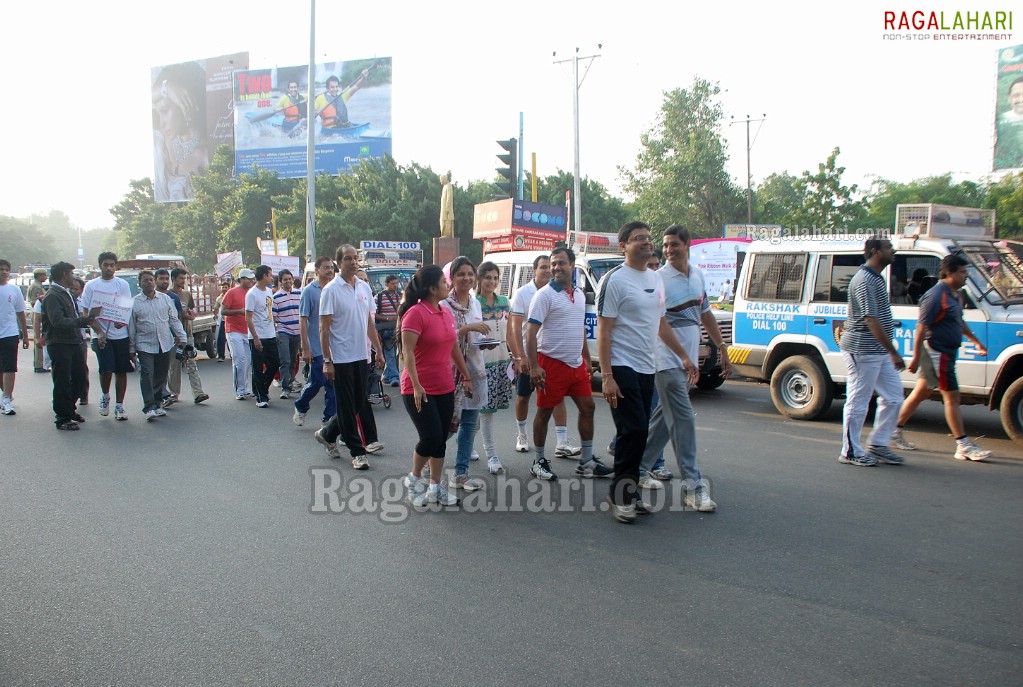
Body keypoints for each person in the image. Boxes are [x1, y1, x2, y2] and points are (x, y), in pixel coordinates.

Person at [596, 221, 699, 524]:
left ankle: (628, 491)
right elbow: (604, 331)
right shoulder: (614, 281)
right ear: (623, 247)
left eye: (647, 238)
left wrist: (683, 356)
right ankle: (621, 496)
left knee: (636, 434)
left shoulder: (656, 278)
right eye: (637, 239)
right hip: (620, 363)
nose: (646, 242)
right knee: (636, 429)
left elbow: (661, 323)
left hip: (647, 365)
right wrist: (607, 376)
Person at [639, 226, 731, 512]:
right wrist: (682, 357)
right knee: (683, 419)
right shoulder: (659, 279)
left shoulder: (698, 275)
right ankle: (694, 487)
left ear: (687, 245)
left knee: (664, 419)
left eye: (674, 245)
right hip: (666, 359)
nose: (668, 250)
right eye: (665, 245)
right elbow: (659, 323)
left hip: (687, 360)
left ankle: (637, 468)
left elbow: (704, 313)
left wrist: (721, 347)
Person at [893, 255, 994, 461]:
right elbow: (921, 327)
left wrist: (975, 342)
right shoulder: (935, 295)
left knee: (921, 392)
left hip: (948, 351)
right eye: (962, 272)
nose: (966, 276)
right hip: (937, 352)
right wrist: (914, 357)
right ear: (949, 273)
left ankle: (893, 431)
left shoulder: (957, 294)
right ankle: (963, 445)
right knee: (952, 397)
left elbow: (959, 322)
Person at [526, 247, 613, 482]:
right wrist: (534, 366)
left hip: (575, 365)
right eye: (553, 263)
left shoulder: (579, 294)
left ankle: (586, 461)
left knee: (588, 407)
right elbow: (530, 333)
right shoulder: (544, 295)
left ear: (572, 265)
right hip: (550, 363)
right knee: (544, 412)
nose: (556, 267)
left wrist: (586, 358)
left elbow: (580, 329)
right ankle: (539, 462)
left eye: (561, 263)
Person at [399, 265, 475, 508]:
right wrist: (418, 385)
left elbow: (453, 347)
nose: (448, 285)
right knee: (430, 438)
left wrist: (466, 376)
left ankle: (435, 487)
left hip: (445, 386)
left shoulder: (445, 312)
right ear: (432, 289)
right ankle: (413, 479)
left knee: (440, 439)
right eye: (445, 282)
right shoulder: (415, 313)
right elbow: (407, 353)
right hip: (417, 388)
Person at [839, 236, 906, 467]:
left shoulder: (876, 278)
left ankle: (878, 444)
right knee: (858, 401)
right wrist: (893, 352)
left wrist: (888, 351)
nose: (893, 251)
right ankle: (850, 451)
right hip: (862, 349)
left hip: (878, 351)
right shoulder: (865, 280)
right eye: (889, 248)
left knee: (895, 397)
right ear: (876, 251)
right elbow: (870, 319)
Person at [317, 245, 384, 469]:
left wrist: (378, 350)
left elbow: (368, 322)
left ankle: (328, 433)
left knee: (357, 402)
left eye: (356, 258)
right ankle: (357, 452)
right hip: (341, 357)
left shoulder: (364, 287)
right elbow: (324, 329)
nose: (353, 262)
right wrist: (327, 360)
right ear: (338, 263)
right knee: (346, 404)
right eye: (348, 259)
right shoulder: (331, 290)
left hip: (361, 355)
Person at [507, 255, 579, 457]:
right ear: (534, 270)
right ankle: (522, 435)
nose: (549, 270)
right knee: (523, 396)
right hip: (528, 356)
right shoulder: (523, 293)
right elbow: (515, 328)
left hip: (549, 356)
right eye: (544, 267)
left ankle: (562, 443)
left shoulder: (561, 290)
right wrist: (521, 357)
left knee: (556, 397)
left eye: (551, 266)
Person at [444, 257, 490, 492]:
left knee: (470, 423)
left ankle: (461, 473)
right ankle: (424, 462)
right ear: (452, 277)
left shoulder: (475, 303)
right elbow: (445, 339)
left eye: (470, 274)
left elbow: (476, 337)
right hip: (451, 372)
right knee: (448, 425)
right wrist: (468, 328)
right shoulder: (444, 305)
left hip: (475, 367)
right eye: (461, 274)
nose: (467, 278)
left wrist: (486, 342)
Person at [41, 262, 101, 430]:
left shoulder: (65, 293)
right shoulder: (53, 295)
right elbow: (57, 321)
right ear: (64, 275)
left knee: (80, 377)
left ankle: (69, 408)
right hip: (60, 343)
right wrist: (82, 321)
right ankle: (62, 417)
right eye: (72, 274)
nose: (74, 278)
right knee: (62, 380)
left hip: (73, 341)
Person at [81, 252, 133, 421]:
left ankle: (119, 405)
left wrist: (122, 322)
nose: (109, 268)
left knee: (121, 370)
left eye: (112, 265)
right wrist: (99, 331)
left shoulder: (122, 284)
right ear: (100, 266)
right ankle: (105, 396)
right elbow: (87, 314)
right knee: (106, 369)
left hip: (120, 335)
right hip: (101, 335)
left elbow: (125, 308)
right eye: (106, 265)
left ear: (115, 267)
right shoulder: (91, 286)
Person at [128, 271, 186, 421]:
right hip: (144, 344)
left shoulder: (165, 299)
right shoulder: (135, 303)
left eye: (150, 280)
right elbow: (132, 327)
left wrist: (182, 336)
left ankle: (157, 403)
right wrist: (132, 348)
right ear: (139, 283)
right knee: (147, 374)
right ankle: (149, 406)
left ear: (154, 281)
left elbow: (174, 320)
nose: (148, 282)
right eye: (145, 280)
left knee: (161, 374)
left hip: (164, 343)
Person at [152, 62, 209, 202]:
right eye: (158, 113)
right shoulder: (161, 142)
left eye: (165, 111)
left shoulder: (205, 156)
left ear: (186, 104)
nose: (162, 122)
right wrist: (166, 88)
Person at [475, 261, 512, 474]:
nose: (492, 281)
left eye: (495, 278)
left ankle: (467, 443)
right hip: (479, 364)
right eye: (488, 277)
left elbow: (511, 332)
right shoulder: (473, 303)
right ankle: (492, 456)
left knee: (481, 413)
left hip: (500, 363)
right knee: (484, 412)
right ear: (479, 280)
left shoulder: (505, 302)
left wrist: (515, 357)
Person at [294, 257, 337, 431]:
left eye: (331, 267)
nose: (329, 270)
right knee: (317, 381)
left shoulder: (335, 289)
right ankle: (301, 405)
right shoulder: (309, 291)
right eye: (325, 267)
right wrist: (305, 347)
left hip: (333, 346)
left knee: (332, 385)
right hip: (316, 346)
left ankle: (328, 419)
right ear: (317, 270)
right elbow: (303, 321)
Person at [167, 268, 208, 405]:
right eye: (180, 278)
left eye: (184, 278)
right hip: (174, 336)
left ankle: (198, 393)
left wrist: (188, 316)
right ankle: (174, 393)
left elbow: (191, 312)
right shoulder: (168, 295)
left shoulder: (187, 294)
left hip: (188, 333)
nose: (183, 281)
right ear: (173, 279)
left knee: (192, 363)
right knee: (175, 366)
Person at [246, 265, 279, 408]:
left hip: (270, 334)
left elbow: (270, 313)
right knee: (258, 367)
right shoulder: (251, 294)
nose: (272, 278)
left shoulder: (269, 292)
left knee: (274, 363)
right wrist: (255, 337)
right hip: (258, 336)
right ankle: (261, 397)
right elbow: (248, 317)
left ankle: (261, 388)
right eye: (270, 275)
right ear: (265, 276)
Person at [0, 258, 29, 416]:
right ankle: (5, 393)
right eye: (1, 269)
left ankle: (6, 399)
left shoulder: (14, 290)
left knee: (9, 367)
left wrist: (25, 335)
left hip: (10, 333)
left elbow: (20, 313)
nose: (4, 272)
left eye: (6, 269)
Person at [221, 269, 255, 400]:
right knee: (239, 360)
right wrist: (239, 312)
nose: (251, 281)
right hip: (233, 330)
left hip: (247, 331)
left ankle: (246, 388)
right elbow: (223, 311)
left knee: (248, 360)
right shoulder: (231, 292)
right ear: (241, 279)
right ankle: (239, 389)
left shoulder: (251, 293)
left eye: (252, 279)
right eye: (248, 279)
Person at [272, 269, 302, 398]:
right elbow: (273, 317)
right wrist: (276, 332)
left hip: (297, 331)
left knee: (293, 360)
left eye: (290, 279)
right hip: (283, 331)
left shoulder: (299, 294)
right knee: (285, 360)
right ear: (280, 282)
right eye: (285, 279)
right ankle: (285, 388)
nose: (288, 281)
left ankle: (290, 382)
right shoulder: (276, 297)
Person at [375, 275, 401, 386]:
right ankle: (395, 377)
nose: (395, 286)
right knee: (390, 352)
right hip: (385, 329)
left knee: (394, 353)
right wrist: (388, 318)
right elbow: (373, 315)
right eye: (392, 283)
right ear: (386, 284)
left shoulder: (398, 297)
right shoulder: (379, 297)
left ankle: (386, 376)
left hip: (397, 328)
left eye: (396, 283)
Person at [70, 277, 90, 406]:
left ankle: (83, 394)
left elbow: (87, 318)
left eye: (76, 289)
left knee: (81, 368)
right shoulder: (64, 300)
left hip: (80, 338)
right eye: (71, 288)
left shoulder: (83, 302)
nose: (73, 291)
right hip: (66, 339)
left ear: (82, 290)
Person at [27, 268, 47, 372]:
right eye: (44, 275)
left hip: (37, 313)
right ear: (39, 276)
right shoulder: (36, 287)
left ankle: (39, 364)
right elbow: (35, 302)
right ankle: (39, 365)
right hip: (37, 314)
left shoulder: (38, 285)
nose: (45, 277)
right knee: (38, 338)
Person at [213, 277, 231, 361]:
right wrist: (215, 315)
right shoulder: (219, 298)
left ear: (229, 288)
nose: (224, 289)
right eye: (223, 287)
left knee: (230, 338)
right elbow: (216, 308)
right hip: (222, 321)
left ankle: (232, 354)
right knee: (221, 338)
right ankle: (221, 356)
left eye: (226, 287)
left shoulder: (232, 296)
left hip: (231, 320)